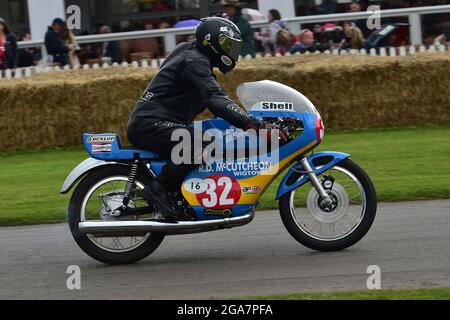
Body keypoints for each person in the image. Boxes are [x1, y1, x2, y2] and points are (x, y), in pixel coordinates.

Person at [126, 18, 263, 220]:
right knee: (201, 141)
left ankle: (178, 194)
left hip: (151, 122)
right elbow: (216, 99)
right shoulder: (195, 61)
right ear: (210, 41)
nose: (231, 51)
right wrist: (253, 124)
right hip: (150, 124)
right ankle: (159, 189)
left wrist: (239, 117)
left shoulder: (190, 53)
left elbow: (214, 99)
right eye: (227, 44)